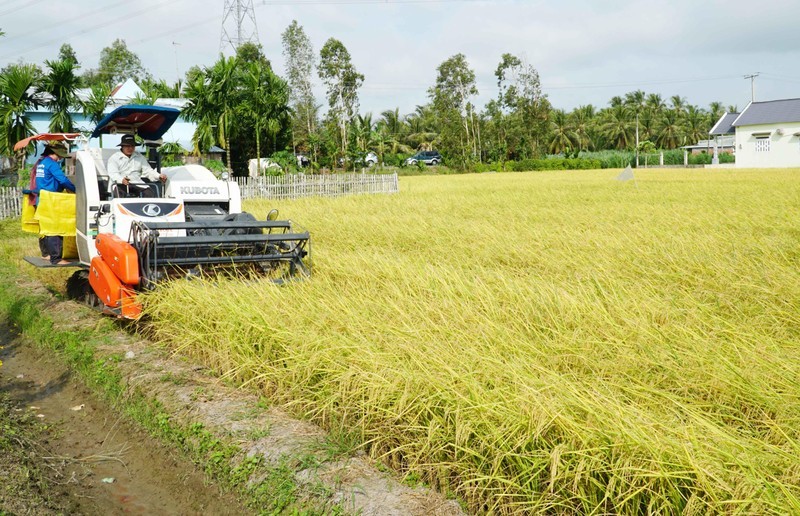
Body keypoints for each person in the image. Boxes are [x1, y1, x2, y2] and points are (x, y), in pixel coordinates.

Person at [33, 142, 75, 265]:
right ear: (55, 153)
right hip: (51, 200)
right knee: (55, 228)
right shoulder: (52, 164)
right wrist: (76, 189)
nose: (61, 158)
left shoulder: (41, 163)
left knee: (45, 228)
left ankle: (46, 254)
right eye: (60, 155)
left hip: (42, 199)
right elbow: (62, 179)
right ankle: (56, 259)